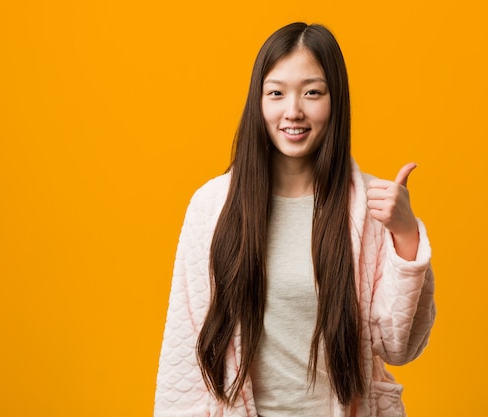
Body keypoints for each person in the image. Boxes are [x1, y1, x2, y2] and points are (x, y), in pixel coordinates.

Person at [153, 22, 435, 417]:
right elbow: (183, 356)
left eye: (312, 92)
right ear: (258, 101)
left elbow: (399, 348)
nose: (293, 111)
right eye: (276, 93)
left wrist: (405, 234)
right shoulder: (212, 207)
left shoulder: (370, 209)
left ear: (336, 101)